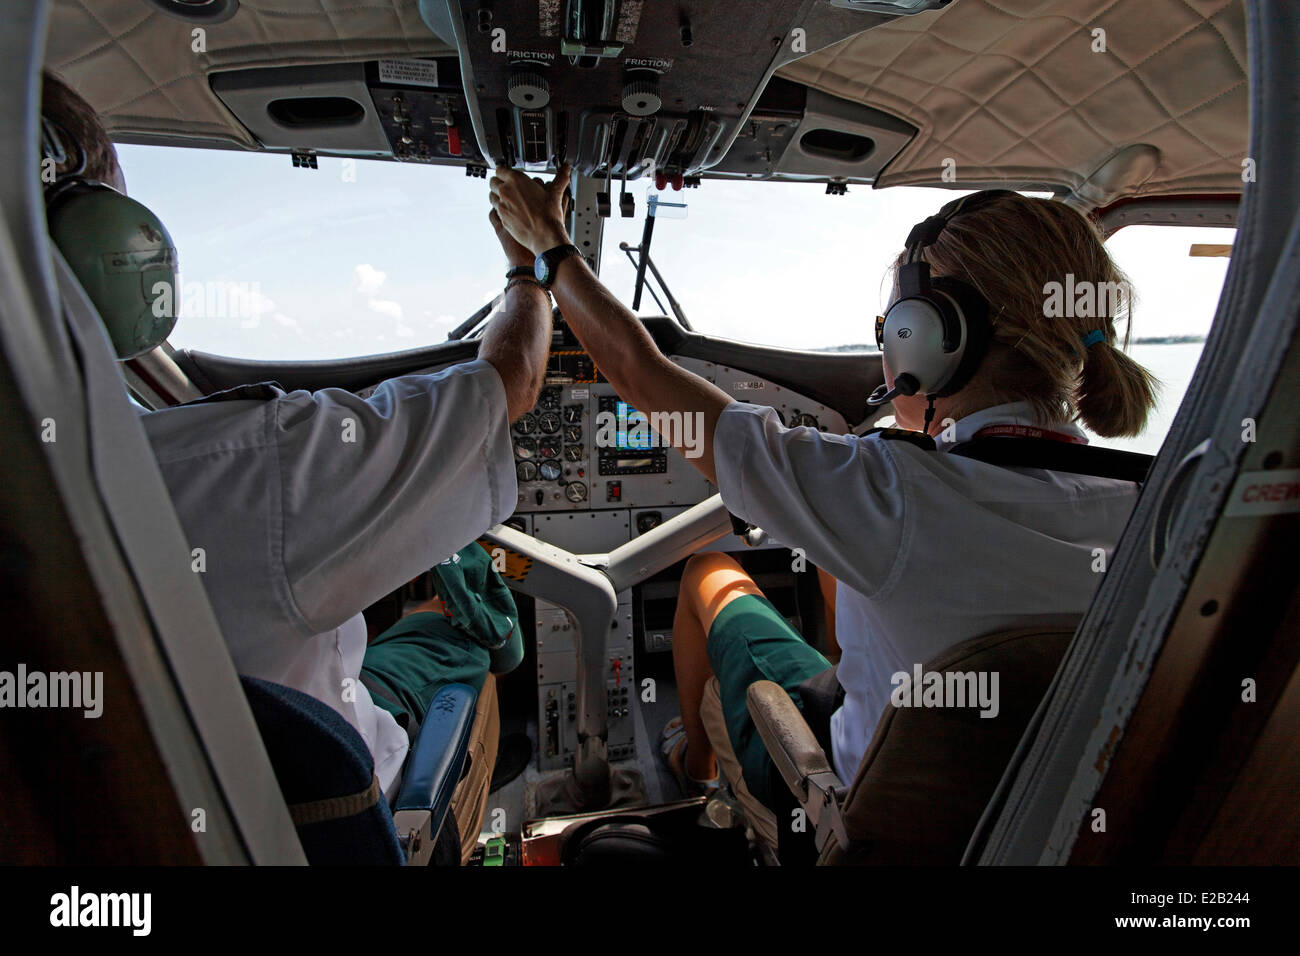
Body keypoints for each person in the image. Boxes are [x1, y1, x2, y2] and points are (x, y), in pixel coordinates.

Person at [490, 166, 1157, 845]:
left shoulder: (888, 489)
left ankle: (693, 766)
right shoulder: (1162, 507)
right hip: (1037, 831)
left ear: (925, 338)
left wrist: (549, 248)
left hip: (850, 817)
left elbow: (637, 373)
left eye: (895, 325)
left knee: (710, 573)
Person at [39, 72, 552, 812]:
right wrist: (528, 269)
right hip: (351, 814)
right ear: (106, 250)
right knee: (460, 629)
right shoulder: (242, 473)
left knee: (407, 615)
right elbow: (513, 384)